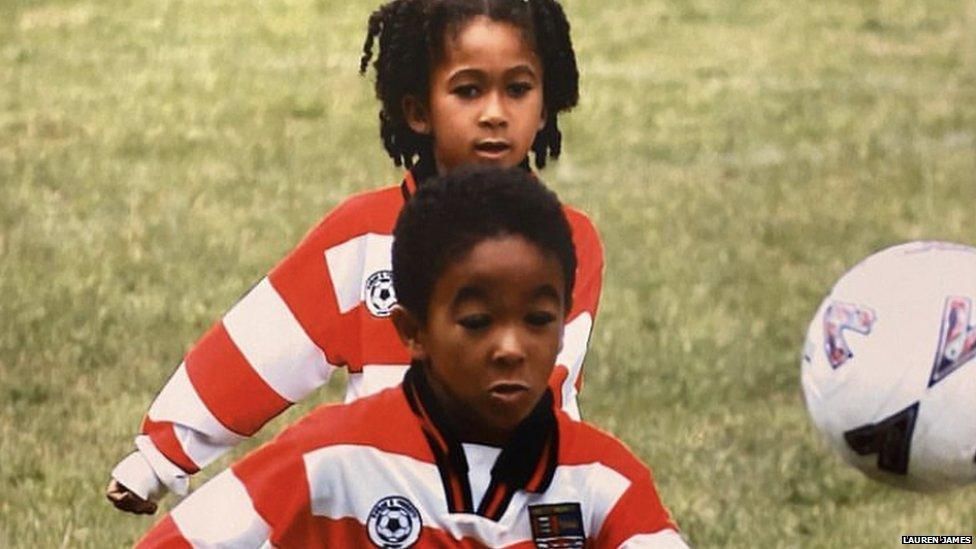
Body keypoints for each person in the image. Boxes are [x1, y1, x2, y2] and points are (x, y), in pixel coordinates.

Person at [108, 0, 603, 514]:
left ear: (546, 105)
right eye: (468, 90)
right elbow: (263, 345)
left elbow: (541, 378)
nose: (495, 113)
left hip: (528, 508)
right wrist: (158, 458)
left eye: (518, 90)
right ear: (418, 109)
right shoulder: (361, 237)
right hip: (384, 508)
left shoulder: (570, 240)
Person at [138, 167, 686, 548]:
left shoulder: (600, 476)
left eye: (539, 321)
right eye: (477, 323)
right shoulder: (334, 455)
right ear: (413, 332)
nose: (511, 348)